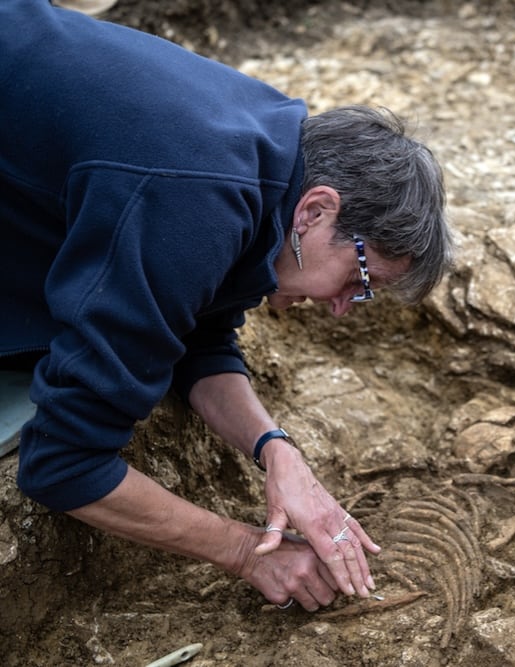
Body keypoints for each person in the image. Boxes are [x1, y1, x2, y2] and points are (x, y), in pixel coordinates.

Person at [1, 0, 452, 612]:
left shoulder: (267, 155)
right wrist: (242, 551)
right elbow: (62, 463)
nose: (344, 307)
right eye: (360, 278)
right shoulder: (196, 201)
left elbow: (201, 337)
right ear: (317, 211)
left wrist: (277, 450)